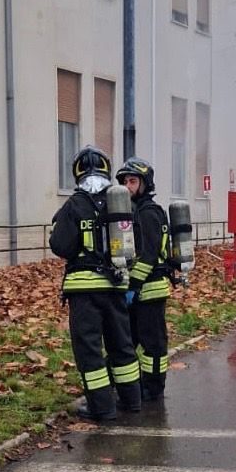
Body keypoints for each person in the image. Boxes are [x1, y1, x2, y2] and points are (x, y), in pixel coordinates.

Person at [50, 145, 142, 420]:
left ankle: (101, 407)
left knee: (89, 349)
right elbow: (136, 240)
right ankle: (131, 400)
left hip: (84, 289)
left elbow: (61, 246)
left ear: (76, 172)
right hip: (115, 285)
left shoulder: (73, 205)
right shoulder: (122, 204)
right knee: (121, 344)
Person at [115, 157, 172, 402]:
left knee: (154, 345)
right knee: (130, 340)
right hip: (138, 291)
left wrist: (134, 286)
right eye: (125, 181)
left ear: (144, 183)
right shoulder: (134, 211)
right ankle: (132, 385)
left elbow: (148, 256)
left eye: (132, 181)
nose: (127, 186)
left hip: (150, 290)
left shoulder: (148, 213)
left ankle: (153, 388)